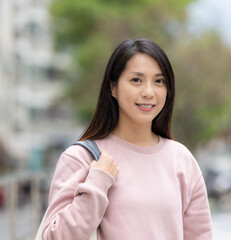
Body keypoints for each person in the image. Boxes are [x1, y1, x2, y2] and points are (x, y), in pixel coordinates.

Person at [41, 38, 213, 240]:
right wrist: (97, 183)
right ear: (113, 88)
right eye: (136, 80)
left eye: (159, 81)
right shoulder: (82, 158)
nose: (149, 92)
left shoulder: (182, 160)